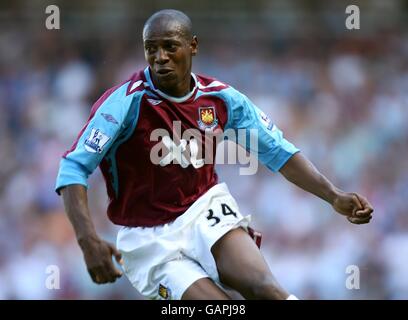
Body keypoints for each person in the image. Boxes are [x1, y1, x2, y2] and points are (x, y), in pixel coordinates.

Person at [55, 9, 373, 300]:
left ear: (193, 46)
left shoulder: (219, 99)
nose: (160, 57)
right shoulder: (124, 104)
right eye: (151, 48)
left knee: (266, 289)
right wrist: (88, 241)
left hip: (204, 210)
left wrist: (333, 196)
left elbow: (279, 152)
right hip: (149, 238)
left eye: (169, 46)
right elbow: (73, 169)